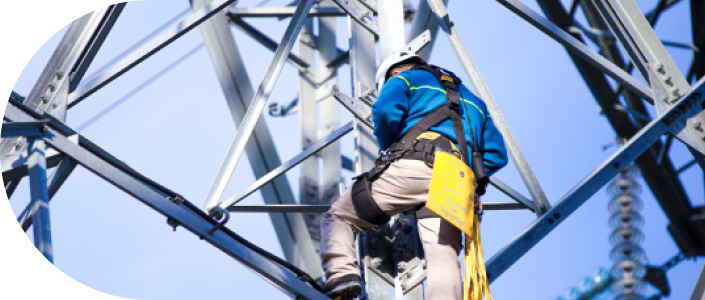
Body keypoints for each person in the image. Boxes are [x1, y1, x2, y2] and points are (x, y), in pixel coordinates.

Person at [319, 52, 508, 300]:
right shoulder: (475, 102)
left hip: (416, 163)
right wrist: (470, 185)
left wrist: (392, 150)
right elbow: (496, 155)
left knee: (339, 216)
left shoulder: (404, 79)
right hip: (454, 182)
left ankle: (341, 276)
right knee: (443, 256)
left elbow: (385, 111)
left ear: (393, 73)